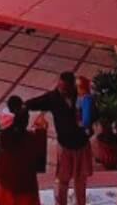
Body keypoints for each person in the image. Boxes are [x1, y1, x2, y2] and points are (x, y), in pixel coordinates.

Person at [26, 71, 91, 205]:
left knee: (80, 181)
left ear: (71, 86)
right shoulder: (53, 97)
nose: (61, 90)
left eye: (64, 87)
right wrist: (23, 106)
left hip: (81, 145)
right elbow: (37, 102)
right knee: (63, 180)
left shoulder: (80, 95)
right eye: (60, 86)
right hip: (65, 146)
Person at [0, 96, 47, 205]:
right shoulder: (33, 140)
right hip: (26, 191)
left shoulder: (2, 138)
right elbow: (39, 166)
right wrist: (42, 133)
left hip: (7, 189)